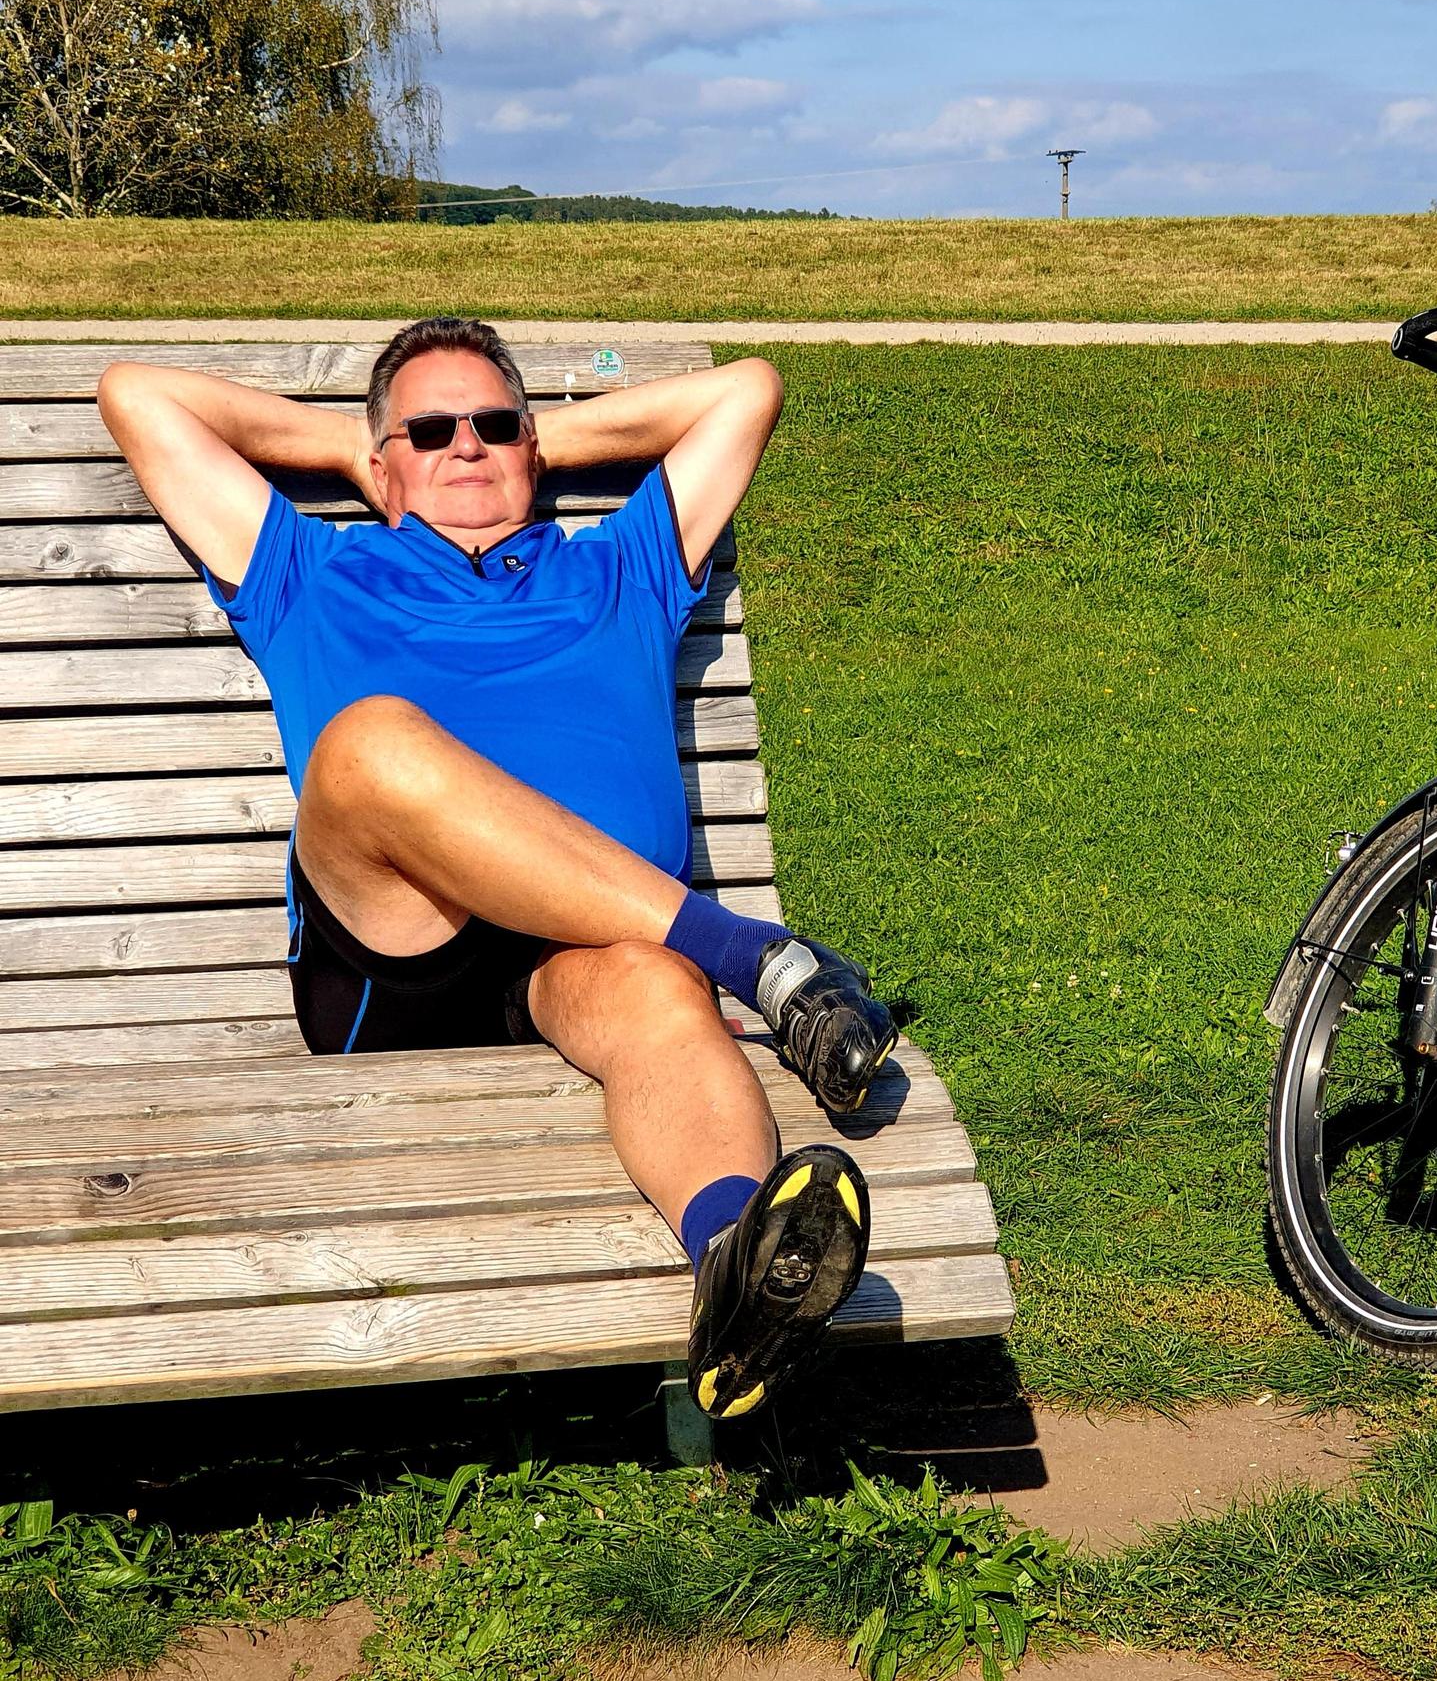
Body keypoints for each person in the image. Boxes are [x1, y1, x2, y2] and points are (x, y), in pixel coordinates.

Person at [96, 316, 896, 1423]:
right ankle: (755, 957)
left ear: (534, 446)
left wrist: (531, 438)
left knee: (659, 994)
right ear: (382, 464)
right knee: (370, 740)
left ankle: (736, 1271)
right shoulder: (312, 570)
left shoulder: (619, 565)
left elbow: (745, 390)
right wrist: (353, 450)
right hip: (397, 948)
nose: (465, 444)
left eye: (493, 424)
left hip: (588, 951)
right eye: (430, 431)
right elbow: (137, 395)